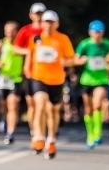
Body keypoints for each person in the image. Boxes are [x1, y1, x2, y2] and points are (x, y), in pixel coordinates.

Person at [23, 10, 75, 159]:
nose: (48, 25)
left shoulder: (62, 39)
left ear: (56, 24)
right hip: (38, 77)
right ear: (42, 23)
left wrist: (63, 61)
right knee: (40, 105)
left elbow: (70, 59)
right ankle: (38, 137)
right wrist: (27, 70)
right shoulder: (36, 38)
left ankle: (51, 139)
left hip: (56, 80)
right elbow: (30, 55)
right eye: (46, 22)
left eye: (51, 22)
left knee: (52, 111)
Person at [73, 20, 109, 149]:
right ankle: (90, 135)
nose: (97, 34)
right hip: (87, 80)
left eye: (99, 32)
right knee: (88, 109)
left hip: (101, 79)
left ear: (103, 32)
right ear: (90, 32)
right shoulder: (84, 44)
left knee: (97, 104)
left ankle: (97, 133)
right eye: (95, 32)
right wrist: (81, 60)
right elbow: (75, 59)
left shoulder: (107, 44)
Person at [13, 3, 46, 151]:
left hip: (46, 74)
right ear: (31, 15)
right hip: (30, 73)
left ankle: (40, 135)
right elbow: (15, 49)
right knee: (32, 106)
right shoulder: (25, 31)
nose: (38, 16)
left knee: (42, 105)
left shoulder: (48, 30)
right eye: (36, 13)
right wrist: (30, 51)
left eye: (41, 13)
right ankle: (34, 132)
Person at [0, 21, 25, 144]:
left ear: (17, 31)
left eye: (12, 31)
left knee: (13, 104)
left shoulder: (21, 45)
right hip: (3, 78)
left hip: (16, 79)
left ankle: (10, 133)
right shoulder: (1, 44)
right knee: (3, 105)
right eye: (7, 31)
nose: (10, 33)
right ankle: (3, 118)